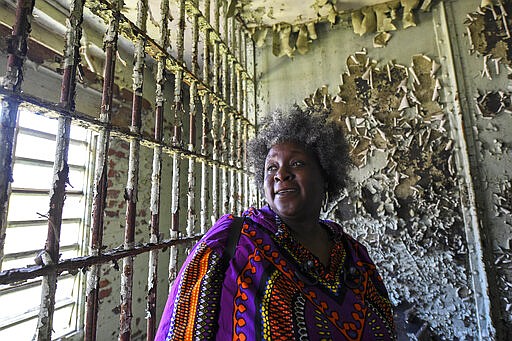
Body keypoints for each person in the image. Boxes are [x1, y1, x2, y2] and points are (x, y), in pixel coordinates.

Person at [155, 106, 396, 340]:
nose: (281, 174)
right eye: (271, 167)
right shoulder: (232, 241)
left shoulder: (353, 253)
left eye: (297, 163)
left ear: (325, 176)